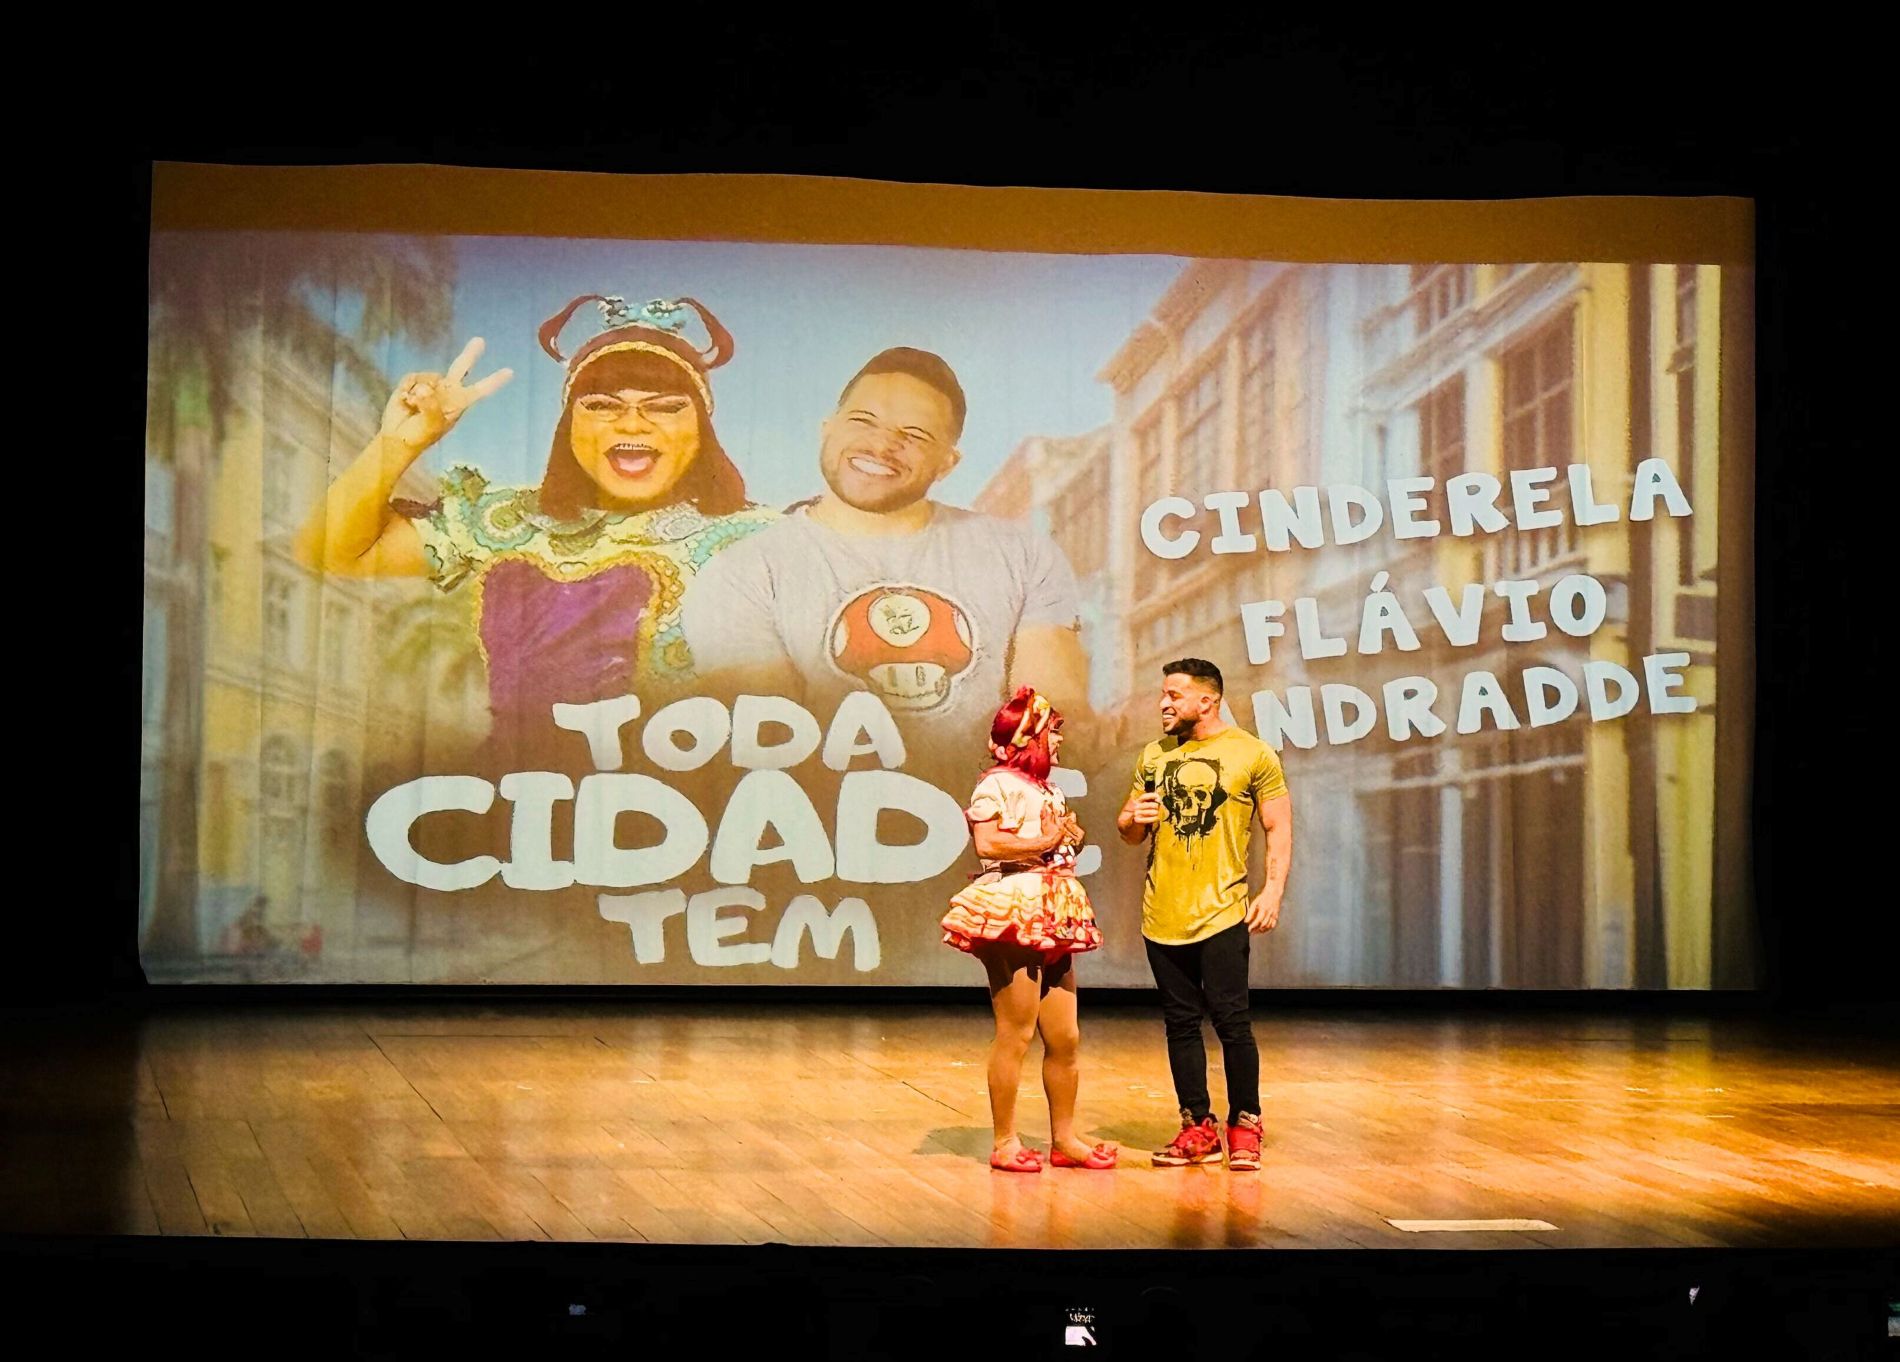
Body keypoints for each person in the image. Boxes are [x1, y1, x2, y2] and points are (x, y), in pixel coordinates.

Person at [294, 295, 777, 762]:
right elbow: (331, 552)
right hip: (526, 802)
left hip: (685, 804)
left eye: (666, 407)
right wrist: (399, 443)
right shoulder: (504, 520)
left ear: (701, 428)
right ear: (569, 425)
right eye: (602, 405)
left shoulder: (765, 541)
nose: (633, 423)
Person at [680, 347, 1088, 746]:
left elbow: (1048, 717)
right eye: (863, 421)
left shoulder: (1023, 555)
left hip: (988, 790)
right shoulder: (742, 572)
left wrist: (1085, 739)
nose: (881, 445)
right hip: (821, 792)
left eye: (914, 435)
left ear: (947, 463)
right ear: (827, 429)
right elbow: (769, 740)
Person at [1115, 658, 1292, 1171]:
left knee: (1232, 1022)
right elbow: (1130, 830)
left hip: (1222, 911)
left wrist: (1273, 890)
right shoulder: (1155, 755)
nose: (1164, 704)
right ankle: (1197, 1126)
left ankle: (1245, 1124)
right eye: (1163, 694)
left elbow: (1277, 825)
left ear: (1207, 701)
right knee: (1180, 1024)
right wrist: (1130, 819)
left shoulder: (1252, 753)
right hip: (1162, 911)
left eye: (1174, 695)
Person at [942, 686, 1116, 1172]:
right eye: (1052, 733)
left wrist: (1065, 840)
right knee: (1015, 1032)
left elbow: (1049, 842)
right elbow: (989, 844)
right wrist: (1047, 839)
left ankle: (1065, 1139)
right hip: (1014, 908)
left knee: (1065, 1037)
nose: (1059, 741)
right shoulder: (995, 785)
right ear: (1029, 738)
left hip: (1052, 911)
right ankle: (1005, 1142)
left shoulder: (1047, 789)